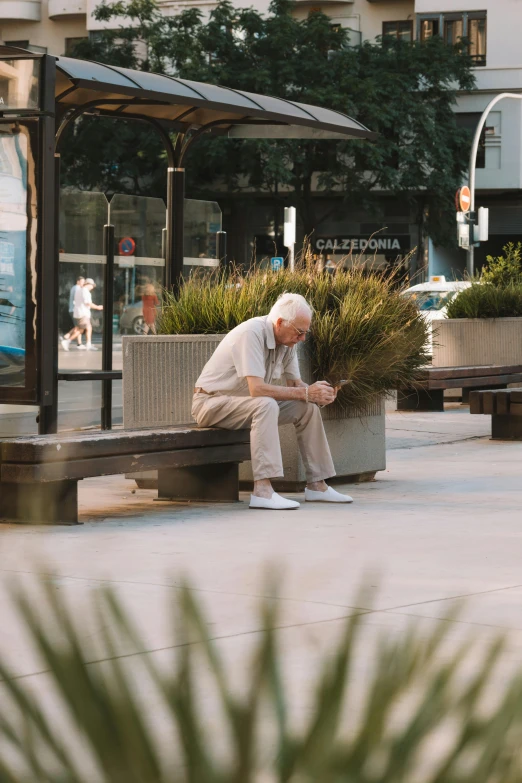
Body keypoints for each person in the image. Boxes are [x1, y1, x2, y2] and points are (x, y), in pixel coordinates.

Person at [192, 292, 353, 510]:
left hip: (247, 405)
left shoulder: (288, 342)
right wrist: (306, 393)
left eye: (306, 332)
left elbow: (296, 386)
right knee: (266, 403)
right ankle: (263, 492)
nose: (303, 338)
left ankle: (317, 485)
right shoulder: (251, 333)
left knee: (306, 408)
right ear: (279, 323)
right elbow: (256, 389)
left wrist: (318, 393)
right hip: (210, 404)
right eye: (299, 332)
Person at [61, 278, 103, 351]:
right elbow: (88, 303)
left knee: (83, 328)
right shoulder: (85, 291)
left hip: (78, 313)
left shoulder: (79, 290)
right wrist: (97, 307)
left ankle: (87, 344)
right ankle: (68, 341)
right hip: (83, 313)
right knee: (84, 329)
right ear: (88, 284)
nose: (92, 287)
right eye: (92, 286)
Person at [62, 276, 85, 348]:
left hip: (73, 310)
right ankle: (67, 335)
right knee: (79, 327)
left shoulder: (74, 288)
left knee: (78, 327)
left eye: (84, 282)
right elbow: (77, 299)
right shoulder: (77, 288)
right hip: (75, 310)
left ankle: (79, 343)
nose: (83, 283)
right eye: (82, 282)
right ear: (78, 281)